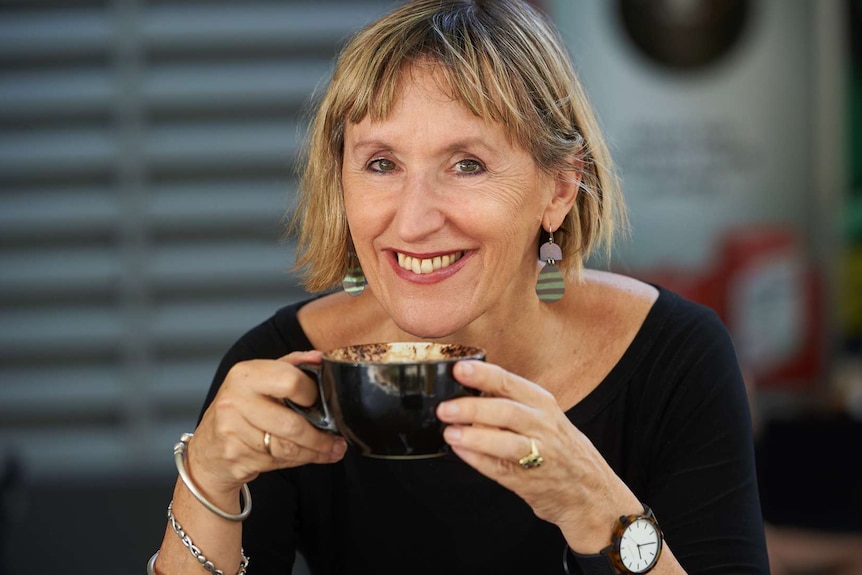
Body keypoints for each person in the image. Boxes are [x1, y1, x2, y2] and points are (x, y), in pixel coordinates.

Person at [147, 1, 770, 573]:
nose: (414, 220)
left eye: (467, 164)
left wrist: (597, 512)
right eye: (381, 164)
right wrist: (206, 476)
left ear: (558, 189)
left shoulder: (675, 357)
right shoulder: (283, 367)